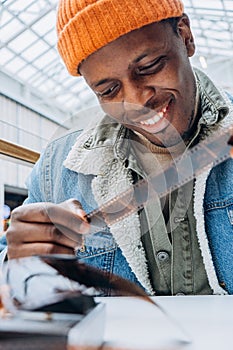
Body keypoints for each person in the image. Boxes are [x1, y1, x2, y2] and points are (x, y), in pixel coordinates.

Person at [1, 0, 233, 297]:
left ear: (185, 35)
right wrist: (17, 262)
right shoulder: (57, 170)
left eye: (149, 67)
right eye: (108, 91)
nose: (136, 101)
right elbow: (14, 291)